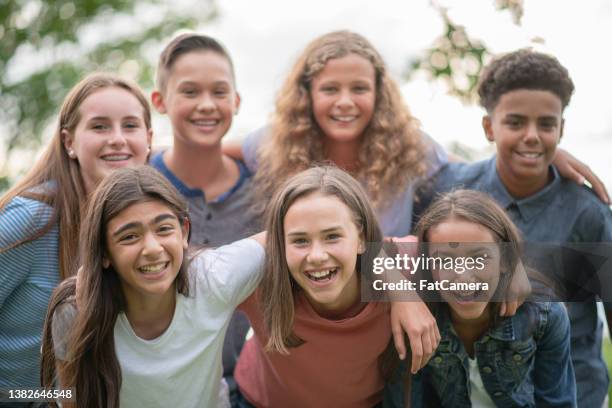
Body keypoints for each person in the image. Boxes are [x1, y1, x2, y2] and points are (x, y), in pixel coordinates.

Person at [424, 49, 612, 407]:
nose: (531, 136)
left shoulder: (586, 215)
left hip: (573, 393)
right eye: (515, 123)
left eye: (546, 124)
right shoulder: (449, 193)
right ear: (489, 127)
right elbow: (402, 259)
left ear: (562, 128)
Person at [41, 165, 266, 408]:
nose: (152, 249)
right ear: (103, 251)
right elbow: (66, 398)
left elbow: (286, 232)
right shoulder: (74, 312)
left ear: (183, 232)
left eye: (164, 229)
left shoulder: (213, 277)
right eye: (129, 236)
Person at [0, 73, 151, 390]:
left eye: (130, 126)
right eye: (99, 126)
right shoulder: (29, 221)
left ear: (148, 139)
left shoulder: (142, 223)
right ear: (69, 142)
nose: (118, 139)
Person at [235, 166, 414, 407]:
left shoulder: (401, 264)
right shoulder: (259, 277)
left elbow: (477, 260)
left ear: (360, 239)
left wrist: (408, 294)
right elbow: (194, 275)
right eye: (300, 240)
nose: (317, 256)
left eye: (332, 236)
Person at [390, 190, 576, 407]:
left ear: (506, 260)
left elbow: (557, 401)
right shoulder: (415, 317)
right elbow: (363, 249)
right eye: (445, 261)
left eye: (479, 257)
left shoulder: (544, 315)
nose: (463, 276)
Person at [150, 33, 258, 399]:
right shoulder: (138, 185)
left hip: (243, 388)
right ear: (160, 101)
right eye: (190, 92)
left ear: (237, 100)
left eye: (219, 91)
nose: (207, 105)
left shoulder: (264, 191)